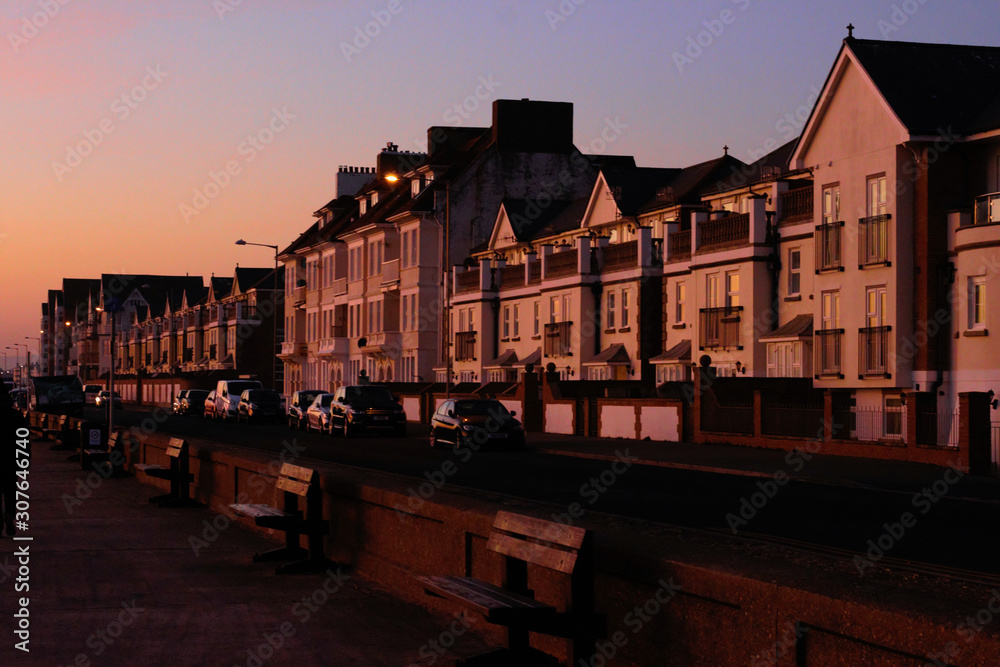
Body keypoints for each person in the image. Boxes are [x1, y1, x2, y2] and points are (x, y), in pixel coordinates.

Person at [0, 381, 23, 537]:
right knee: (10, 491)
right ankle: (9, 514)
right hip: (10, 460)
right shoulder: (14, 415)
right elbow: (24, 439)